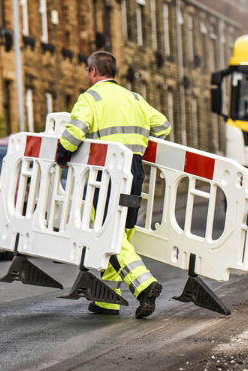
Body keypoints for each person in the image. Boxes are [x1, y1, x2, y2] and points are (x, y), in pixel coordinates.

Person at [56, 51, 172, 319]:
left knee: (107, 233)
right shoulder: (134, 98)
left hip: (106, 173)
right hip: (134, 171)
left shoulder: (91, 98)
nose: (87, 75)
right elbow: (163, 126)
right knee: (123, 233)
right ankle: (108, 300)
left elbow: (75, 129)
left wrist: (63, 153)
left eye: (88, 71)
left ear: (94, 71)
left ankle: (144, 286)